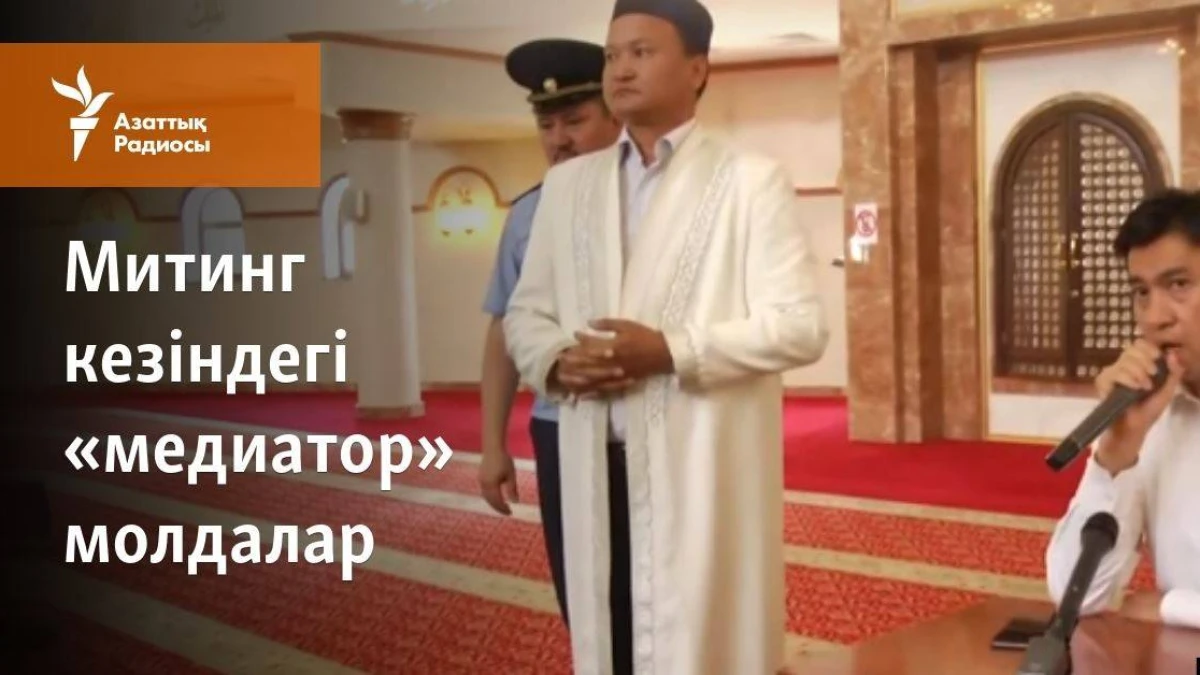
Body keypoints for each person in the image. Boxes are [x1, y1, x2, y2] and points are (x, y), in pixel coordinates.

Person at [502, 0, 829, 672]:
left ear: (697, 69)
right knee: (608, 640)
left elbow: (800, 327)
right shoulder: (567, 187)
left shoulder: (748, 180)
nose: (620, 70)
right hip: (590, 461)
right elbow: (524, 314)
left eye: (642, 53)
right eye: (612, 55)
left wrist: (671, 351)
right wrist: (556, 362)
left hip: (697, 466)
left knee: (698, 645)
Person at [477, 38, 621, 625]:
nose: (559, 138)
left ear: (615, 116)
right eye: (546, 124)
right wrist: (492, 445)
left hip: (647, 422)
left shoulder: (653, 201)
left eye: (575, 121)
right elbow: (504, 329)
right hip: (559, 426)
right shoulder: (526, 214)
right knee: (581, 593)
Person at [1045, 188, 1200, 632]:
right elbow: (1076, 594)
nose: (1154, 317)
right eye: (1141, 292)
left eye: (1178, 285)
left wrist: (1172, 607)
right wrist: (1118, 448)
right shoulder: (1153, 415)